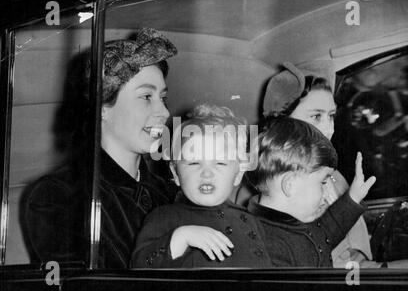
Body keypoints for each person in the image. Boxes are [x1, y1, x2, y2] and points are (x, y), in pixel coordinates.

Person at [24, 27, 178, 269]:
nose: (165, 112)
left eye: (163, 98)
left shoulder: (170, 193)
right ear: (102, 108)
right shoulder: (60, 196)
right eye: (147, 97)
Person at [235, 61, 374, 267]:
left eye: (332, 116)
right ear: (282, 125)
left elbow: (329, 235)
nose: (329, 129)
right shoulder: (258, 194)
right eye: (316, 116)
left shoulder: (334, 177)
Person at [131, 105, 271, 268]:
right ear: (175, 173)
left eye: (220, 163)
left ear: (238, 174)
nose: (206, 173)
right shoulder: (164, 217)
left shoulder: (251, 221)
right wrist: (180, 238)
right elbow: (139, 266)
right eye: (194, 162)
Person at [245, 117, 376, 267]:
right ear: (289, 184)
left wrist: (353, 197)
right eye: (322, 183)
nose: (325, 195)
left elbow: (325, 233)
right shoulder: (271, 249)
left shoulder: (291, 222)